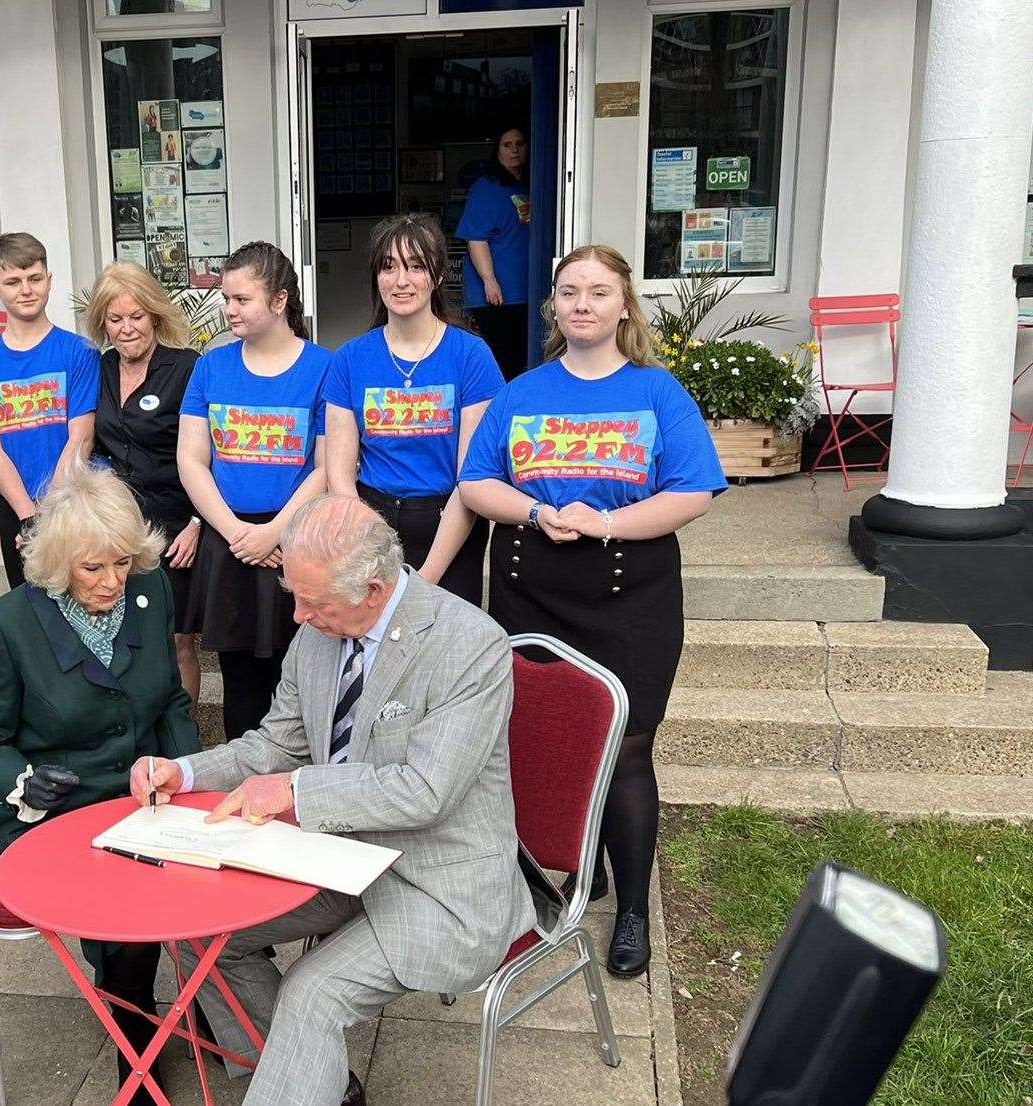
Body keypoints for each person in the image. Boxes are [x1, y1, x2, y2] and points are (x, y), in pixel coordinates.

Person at [131, 495, 534, 1106]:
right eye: (293, 594)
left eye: (312, 602)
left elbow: (427, 791)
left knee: (312, 992)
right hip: (337, 862)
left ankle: (297, 1075)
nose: (296, 617)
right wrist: (183, 771)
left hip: (437, 883)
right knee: (193, 935)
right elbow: (276, 744)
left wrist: (295, 790)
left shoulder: (468, 645)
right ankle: (304, 1076)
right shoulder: (323, 628)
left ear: (374, 589)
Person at [458, 244, 726, 978]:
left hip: (629, 594)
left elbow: (693, 491)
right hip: (529, 588)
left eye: (598, 292)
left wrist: (605, 522)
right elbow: (476, 482)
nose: (582, 304)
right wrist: (540, 508)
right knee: (541, 738)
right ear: (552, 306)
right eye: (569, 292)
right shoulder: (522, 391)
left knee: (630, 746)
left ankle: (631, 909)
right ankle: (572, 872)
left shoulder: (657, 392)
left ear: (622, 305)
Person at [0, 462, 201, 1105]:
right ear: (61, 562)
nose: (114, 581)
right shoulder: (7, 624)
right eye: (94, 568)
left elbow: (171, 701)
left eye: (123, 562)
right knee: (127, 921)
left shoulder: (149, 594)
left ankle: (187, 1004)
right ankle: (137, 1039)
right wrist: (24, 780)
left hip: (141, 793)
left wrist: (191, 773)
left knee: (214, 878)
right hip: (52, 809)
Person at [177, 241, 330, 743]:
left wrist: (276, 532)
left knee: (305, 670)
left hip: (297, 538)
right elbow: (192, 460)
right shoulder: (212, 367)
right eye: (227, 298)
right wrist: (238, 532)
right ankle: (242, 782)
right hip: (230, 539)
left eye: (241, 299)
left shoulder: (324, 368)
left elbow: (327, 466)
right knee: (240, 677)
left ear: (280, 300)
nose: (229, 309)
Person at [323, 213, 502, 608]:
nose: (400, 281)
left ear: (437, 276)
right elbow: (339, 471)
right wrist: (371, 547)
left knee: (444, 653)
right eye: (389, 267)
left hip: (452, 524)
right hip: (372, 525)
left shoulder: (471, 356)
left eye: (415, 266)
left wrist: (426, 578)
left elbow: (470, 478)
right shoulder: (350, 359)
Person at [85, 261, 203, 700]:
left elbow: (211, 453)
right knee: (121, 634)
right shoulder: (96, 370)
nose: (127, 328)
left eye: (136, 316)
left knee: (177, 640)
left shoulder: (187, 367)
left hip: (176, 525)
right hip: (116, 528)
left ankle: (184, 743)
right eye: (116, 319)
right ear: (104, 324)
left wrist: (197, 522)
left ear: (154, 315)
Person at [0, 232, 100, 588]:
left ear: (49, 281)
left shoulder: (79, 352)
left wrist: (50, 514)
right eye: (13, 282)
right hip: (16, 509)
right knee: (31, 616)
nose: (26, 289)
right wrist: (28, 518)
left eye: (34, 278)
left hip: (73, 502)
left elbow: (81, 438)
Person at [457, 127, 532, 379]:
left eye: (519, 143)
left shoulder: (528, 185)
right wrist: (489, 280)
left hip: (524, 293)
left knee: (523, 361)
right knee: (503, 365)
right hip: (497, 297)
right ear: (497, 151)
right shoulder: (487, 187)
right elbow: (476, 239)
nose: (514, 150)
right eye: (507, 145)